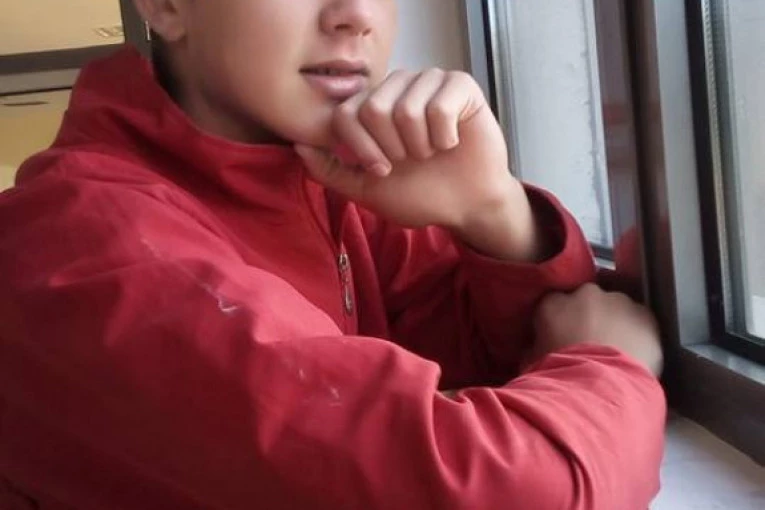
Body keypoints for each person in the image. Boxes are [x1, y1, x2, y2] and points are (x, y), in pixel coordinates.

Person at [0, 0, 665, 508]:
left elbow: (521, 346)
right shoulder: (75, 246)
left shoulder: (323, 178)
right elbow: (511, 492)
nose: (357, 15)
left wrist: (492, 212)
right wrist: (613, 365)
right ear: (167, 5)